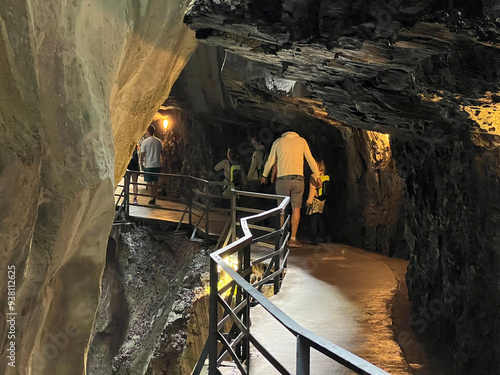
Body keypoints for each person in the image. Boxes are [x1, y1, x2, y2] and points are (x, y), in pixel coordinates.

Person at [260, 130, 321, 248]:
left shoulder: (278, 142)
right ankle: (293, 238)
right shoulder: (302, 141)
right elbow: (310, 159)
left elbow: (270, 161)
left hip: (282, 180)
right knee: (296, 208)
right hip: (298, 180)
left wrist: (264, 175)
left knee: (281, 209)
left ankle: (281, 237)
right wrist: (317, 176)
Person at [306, 159, 329, 245]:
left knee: (313, 220)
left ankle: (314, 238)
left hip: (315, 200)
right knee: (321, 219)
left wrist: (309, 201)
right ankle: (324, 237)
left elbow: (312, 190)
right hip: (322, 201)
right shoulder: (326, 177)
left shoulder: (314, 176)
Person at [140, 124, 163, 205]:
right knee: (155, 181)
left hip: (149, 164)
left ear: (148, 131)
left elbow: (142, 154)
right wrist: (161, 162)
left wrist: (141, 162)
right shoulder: (158, 141)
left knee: (149, 182)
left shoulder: (145, 142)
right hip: (157, 164)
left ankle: (151, 197)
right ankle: (154, 197)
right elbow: (161, 153)